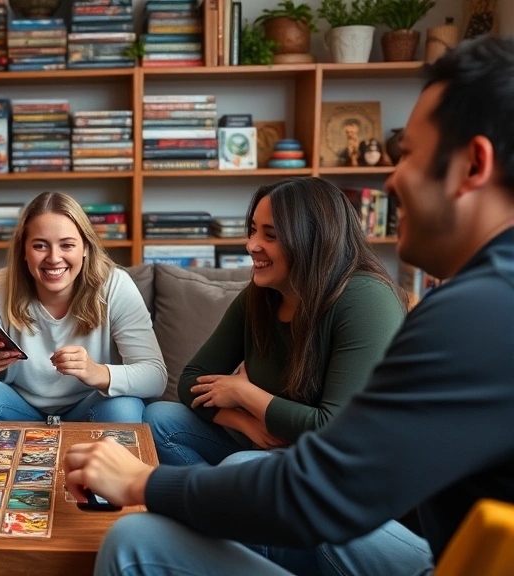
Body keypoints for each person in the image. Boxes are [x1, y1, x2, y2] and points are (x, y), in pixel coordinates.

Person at [64, 35, 514, 575]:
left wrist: (140, 481)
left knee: (144, 535)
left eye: (408, 154)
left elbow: (322, 485)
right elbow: (203, 390)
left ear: (473, 166)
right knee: (197, 474)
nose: (391, 179)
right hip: (363, 519)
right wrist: (241, 418)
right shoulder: (481, 295)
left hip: (401, 549)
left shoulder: (478, 310)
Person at [144, 177, 406, 469]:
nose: (251, 245)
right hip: (264, 444)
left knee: (240, 465)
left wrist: (244, 392)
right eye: (254, 230)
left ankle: (208, 499)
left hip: (333, 462)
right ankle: (210, 500)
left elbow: (334, 426)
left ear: (314, 239)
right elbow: (192, 380)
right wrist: (246, 423)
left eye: (270, 235)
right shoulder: (260, 295)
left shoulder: (366, 299)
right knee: (158, 420)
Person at [0, 191, 166, 422]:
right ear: (24, 251)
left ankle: (109, 460)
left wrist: (96, 372)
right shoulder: (0, 285)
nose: (54, 258)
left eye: (67, 245)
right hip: (19, 410)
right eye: (40, 246)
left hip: (91, 408)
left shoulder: (115, 284)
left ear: (86, 248)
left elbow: (155, 376)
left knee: (124, 407)